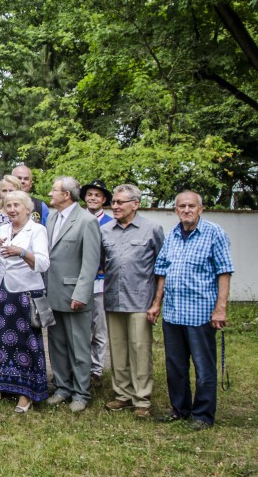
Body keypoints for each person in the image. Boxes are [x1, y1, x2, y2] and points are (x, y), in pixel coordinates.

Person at [148, 191, 233, 430]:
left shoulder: (214, 233)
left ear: (200, 209)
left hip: (201, 314)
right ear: (176, 210)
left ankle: (203, 415)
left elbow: (224, 271)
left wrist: (221, 309)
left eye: (191, 206)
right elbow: (162, 271)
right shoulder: (173, 235)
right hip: (173, 313)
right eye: (182, 206)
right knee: (175, 365)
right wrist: (157, 303)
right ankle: (180, 409)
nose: (186, 210)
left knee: (204, 366)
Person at [0, 190, 51, 412]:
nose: (11, 210)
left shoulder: (37, 230)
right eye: (8, 205)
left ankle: (26, 392)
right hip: (2, 290)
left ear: (27, 208)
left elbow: (42, 264)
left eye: (16, 205)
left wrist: (22, 252)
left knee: (26, 341)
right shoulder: (3, 229)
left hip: (25, 292)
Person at [100, 184, 165, 419]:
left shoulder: (152, 229)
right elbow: (102, 263)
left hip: (141, 301)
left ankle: (142, 399)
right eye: (113, 202)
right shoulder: (106, 230)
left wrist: (157, 302)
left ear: (135, 204)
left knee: (140, 350)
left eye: (120, 202)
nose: (114, 206)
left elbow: (162, 269)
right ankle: (122, 394)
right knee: (117, 349)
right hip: (113, 299)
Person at [44, 176, 101, 412]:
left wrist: (82, 293)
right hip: (52, 293)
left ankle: (81, 392)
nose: (49, 194)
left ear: (66, 195)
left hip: (74, 295)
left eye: (53, 190)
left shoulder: (86, 221)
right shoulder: (52, 217)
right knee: (57, 345)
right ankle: (62, 387)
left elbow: (91, 263)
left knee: (78, 346)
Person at [82, 179, 114, 384]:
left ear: (103, 200)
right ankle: (81, 366)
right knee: (82, 329)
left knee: (99, 328)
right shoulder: (78, 218)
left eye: (97, 195)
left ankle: (96, 369)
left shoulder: (110, 223)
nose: (93, 198)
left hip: (101, 281)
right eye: (90, 194)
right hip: (80, 283)